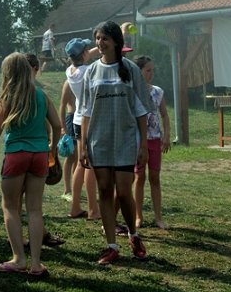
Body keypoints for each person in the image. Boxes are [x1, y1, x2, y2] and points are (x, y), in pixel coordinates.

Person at [0, 52, 62, 277]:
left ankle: (18, 259)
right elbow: (57, 124)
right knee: (35, 209)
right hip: (39, 155)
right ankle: (36, 264)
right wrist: (52, 148)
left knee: (10, 207)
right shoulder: (41, 95)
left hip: (16, 155)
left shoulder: (6, 99)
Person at [79, 21, 152, 265]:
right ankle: (111, 246)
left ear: (115, 42)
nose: (100, 43)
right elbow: (86, 112)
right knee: (104, 190)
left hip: (125, 139)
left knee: (123, 191)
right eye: (97, 38)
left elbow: (141, 110)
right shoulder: (91, 71)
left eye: (105, 38)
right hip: (99, 140)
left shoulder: (130, 70)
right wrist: (83, 146)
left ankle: (133, 235)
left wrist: (143, 145)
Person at [60, 38, 100, 220]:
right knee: (90, 164)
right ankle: (93, 209)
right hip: (89, 120)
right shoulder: (89, 71)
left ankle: (75, 206)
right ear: (84, 54)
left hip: (77, 120)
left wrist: (95, 49)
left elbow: (87, 55)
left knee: (80, 164)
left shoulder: (70, 71)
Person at [132, 55, 171, 230]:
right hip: (139, 140)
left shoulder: (157, 91)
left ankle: (158, 217)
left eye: (152, 70)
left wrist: (167, 135)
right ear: (139, 71)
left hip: (154, 139)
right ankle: (138, 216)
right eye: (148, 70)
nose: (151, 74)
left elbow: (164, 115)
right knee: (139, 176)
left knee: (155, 177)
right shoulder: (132, 91)